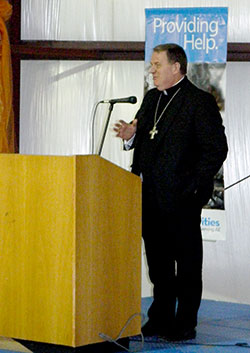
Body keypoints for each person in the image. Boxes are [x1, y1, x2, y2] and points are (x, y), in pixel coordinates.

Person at [114, 43, 228, 341]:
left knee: (187, 265)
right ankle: (160, 318)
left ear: (176, 67)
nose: (151, 71)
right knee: (158, 265)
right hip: (148, 196)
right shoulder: (151, 99)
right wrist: (130, 137)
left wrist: (193, 186)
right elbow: (144, 138)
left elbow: (216, 149)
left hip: (182, 198)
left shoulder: (199, 101)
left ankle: (185, 323)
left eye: (156, 65)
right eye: (151, 66)